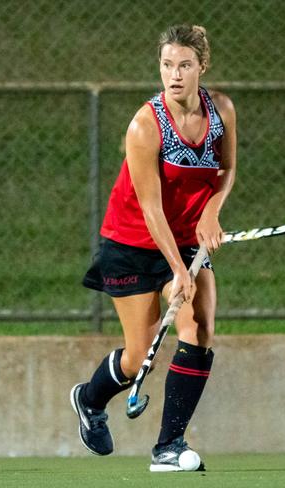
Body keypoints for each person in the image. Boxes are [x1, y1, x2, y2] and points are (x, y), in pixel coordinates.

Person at [70, 24, 236, 472]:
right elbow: (150, 208)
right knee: (137, 355)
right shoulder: (145, 126)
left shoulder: (221, 109)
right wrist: (177, 272)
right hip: (132, 243)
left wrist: (211, 213)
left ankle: (169, 446)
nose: (174, 75)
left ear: (203, 66)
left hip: (185, 241)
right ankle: (89, 399)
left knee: (198, 327)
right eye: (167, 65)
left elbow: (226, 171)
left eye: (184, 65)